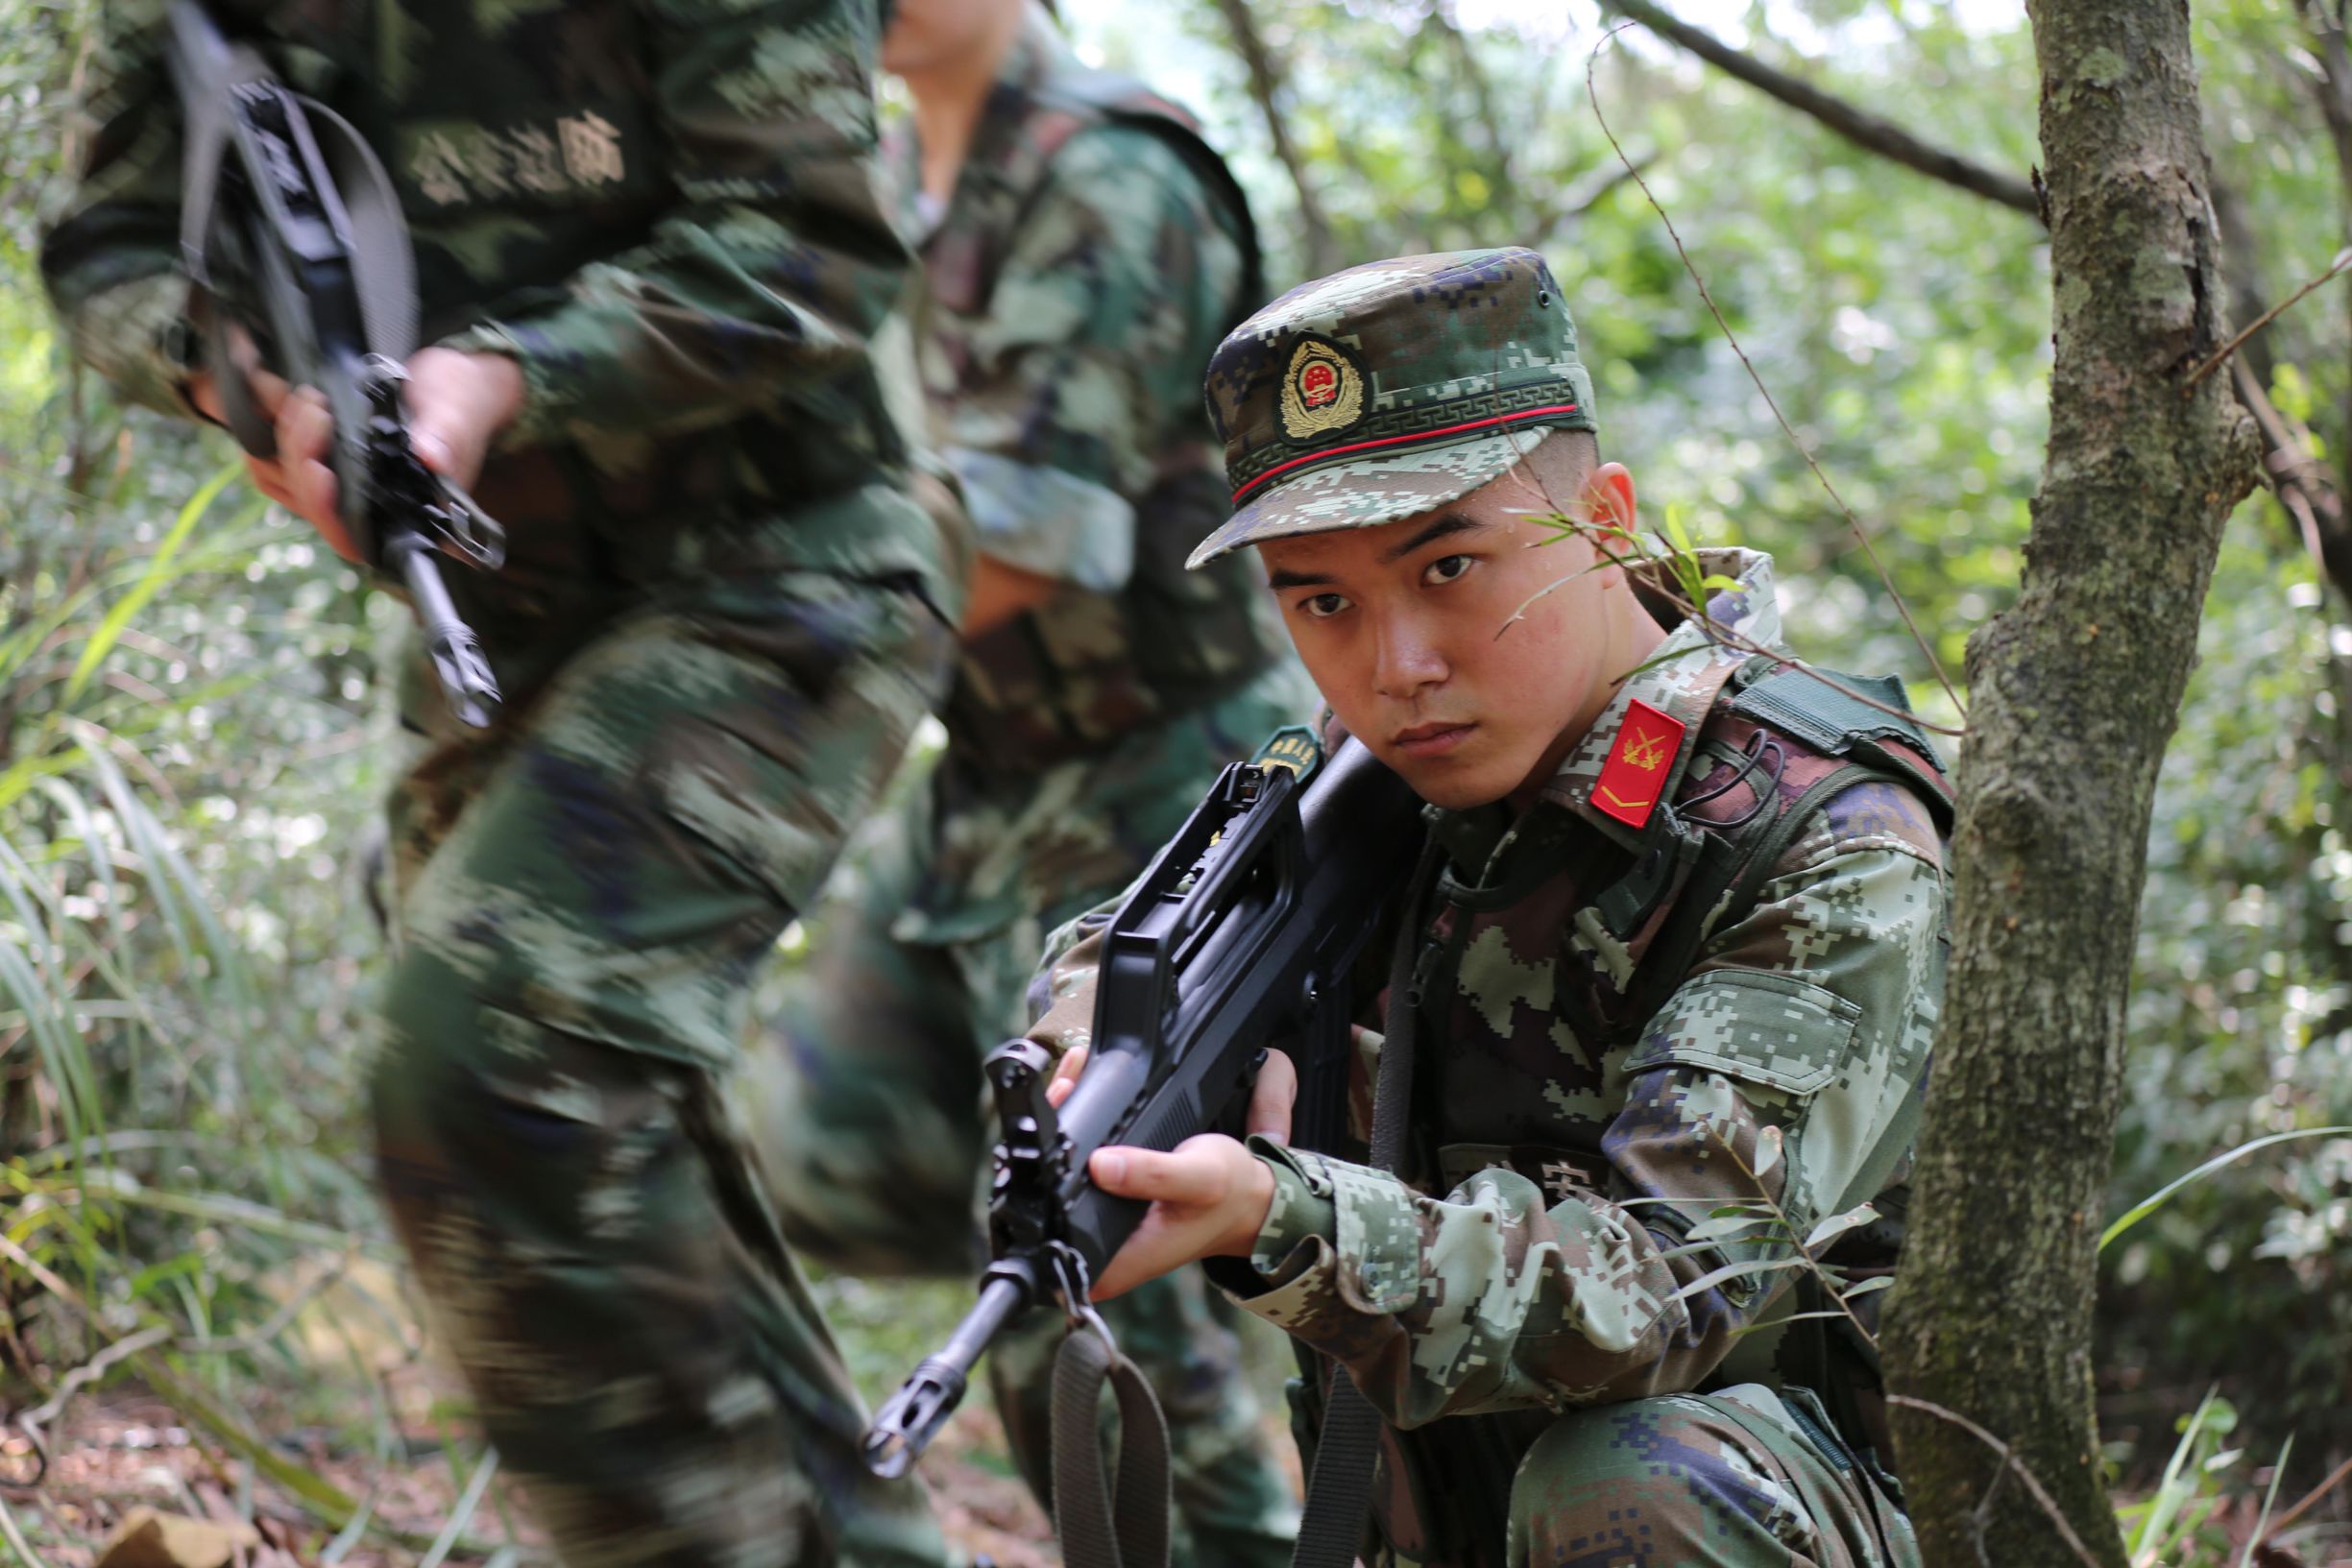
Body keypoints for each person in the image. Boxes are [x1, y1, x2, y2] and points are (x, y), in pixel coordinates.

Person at [43, 4, 963, 1563]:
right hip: (501, 619)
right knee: (604, 1143)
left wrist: (497, 377)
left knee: (490, 1046)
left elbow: (810, 245)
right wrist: (238, 379)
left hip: (790, 574)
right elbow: (109, 245)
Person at [1027, 248, 1951, 1568]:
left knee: (1630, 1479)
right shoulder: (1381, 800)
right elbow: (1127, 944)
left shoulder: (1825, 835)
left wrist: (1279, 1217)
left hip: (1782, 1518)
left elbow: (1657, 1291)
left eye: (1451, 568)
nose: (1395, 667)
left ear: (1609, 523)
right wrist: (1098, 1045)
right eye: (1323, 600)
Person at [742, 2, 1309, 1561]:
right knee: (808, 1154)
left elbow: (1031, 533)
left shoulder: (1114, 171)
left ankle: (1228, 1535)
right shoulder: (887, 182)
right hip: (986, 790)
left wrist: (725, 619)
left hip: (1162, 791)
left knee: (1075, 1230)